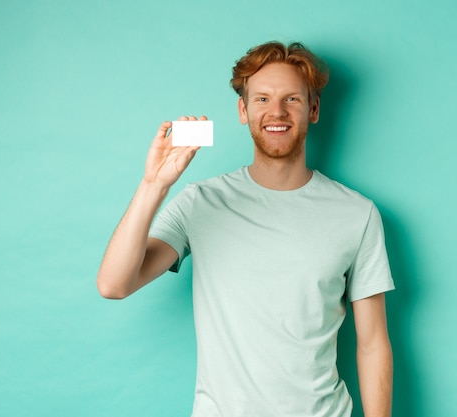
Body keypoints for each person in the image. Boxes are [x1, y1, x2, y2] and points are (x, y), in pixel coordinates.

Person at [97, 41, 395, 417]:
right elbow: (114, 284)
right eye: (262, 99)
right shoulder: (199, 202)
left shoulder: (357, 213)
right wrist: (153, 185)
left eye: (292, 99)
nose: (277, 112)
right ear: (243, 109)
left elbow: (372, 344)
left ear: (314, 109)